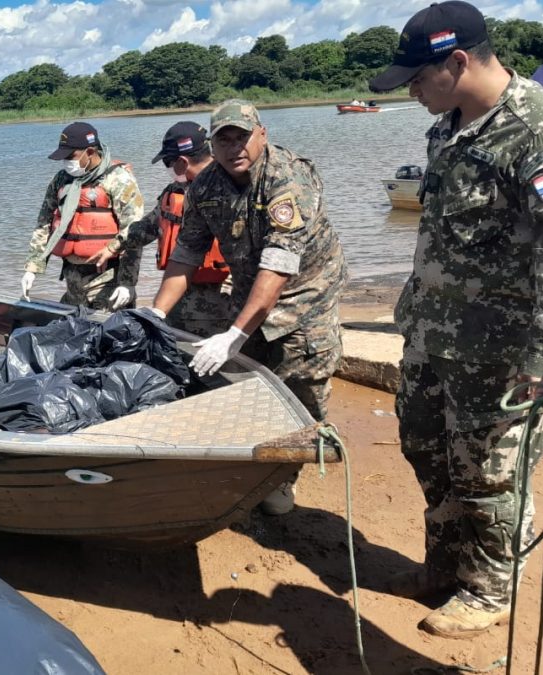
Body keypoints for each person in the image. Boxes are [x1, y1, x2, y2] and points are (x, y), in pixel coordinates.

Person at [369, 0, 543, 639]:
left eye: (418, 78)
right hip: (432, 332)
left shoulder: (533, 131)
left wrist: (539, 358)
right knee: (426, 450)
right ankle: (445, 565)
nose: (412, 90)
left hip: (500, 351)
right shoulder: (448, 128)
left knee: (489, 472)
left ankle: (490, 588)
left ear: (459, 61)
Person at [150, 99, 347, 516]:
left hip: (306, 294)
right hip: (248, 290)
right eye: (224, 140)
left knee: (301, 383)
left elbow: (278, 269)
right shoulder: (204, 188)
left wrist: (233, 335)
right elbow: (186, 255)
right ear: (212, 145)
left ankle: (288, 478)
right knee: (250, 383)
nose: (234, 148)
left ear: (262, 134)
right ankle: (260, 465)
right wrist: (156, 314)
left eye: (242, 137)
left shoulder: (288, 180)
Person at [86, 121, 232, 337]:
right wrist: (115, 245)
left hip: (219, 304)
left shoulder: (231, 189)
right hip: (177, 300)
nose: (167, 169)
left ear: (181, 162)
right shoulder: (176, 190)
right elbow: (150, 225)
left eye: (168, 162)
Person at [21, 122, 145, 310]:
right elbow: (44, 223)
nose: (66, 162)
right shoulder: (61, 180)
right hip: (72, 281)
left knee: (108, 334)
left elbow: (134, 232)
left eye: (71, 156)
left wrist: (128, 282)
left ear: (89, 151)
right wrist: (32, 267)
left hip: (107, 279)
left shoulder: (118, 179)